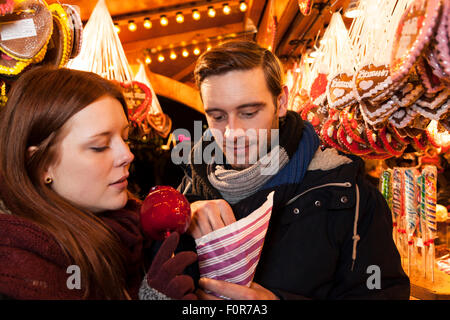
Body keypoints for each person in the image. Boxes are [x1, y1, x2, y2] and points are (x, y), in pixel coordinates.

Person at [177, 40, 410, 299]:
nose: (232, 133)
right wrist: (179, 218)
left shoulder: (350, 195)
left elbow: (382, 293)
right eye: (218, 117)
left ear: (281, 102)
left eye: (249, 113)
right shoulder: (190, 188)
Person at [0, 66, 197, 300]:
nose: (127, 155)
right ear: (42, 165)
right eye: (99, 146)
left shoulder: (135, 231)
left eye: (125, 138)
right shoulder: (18, 267)